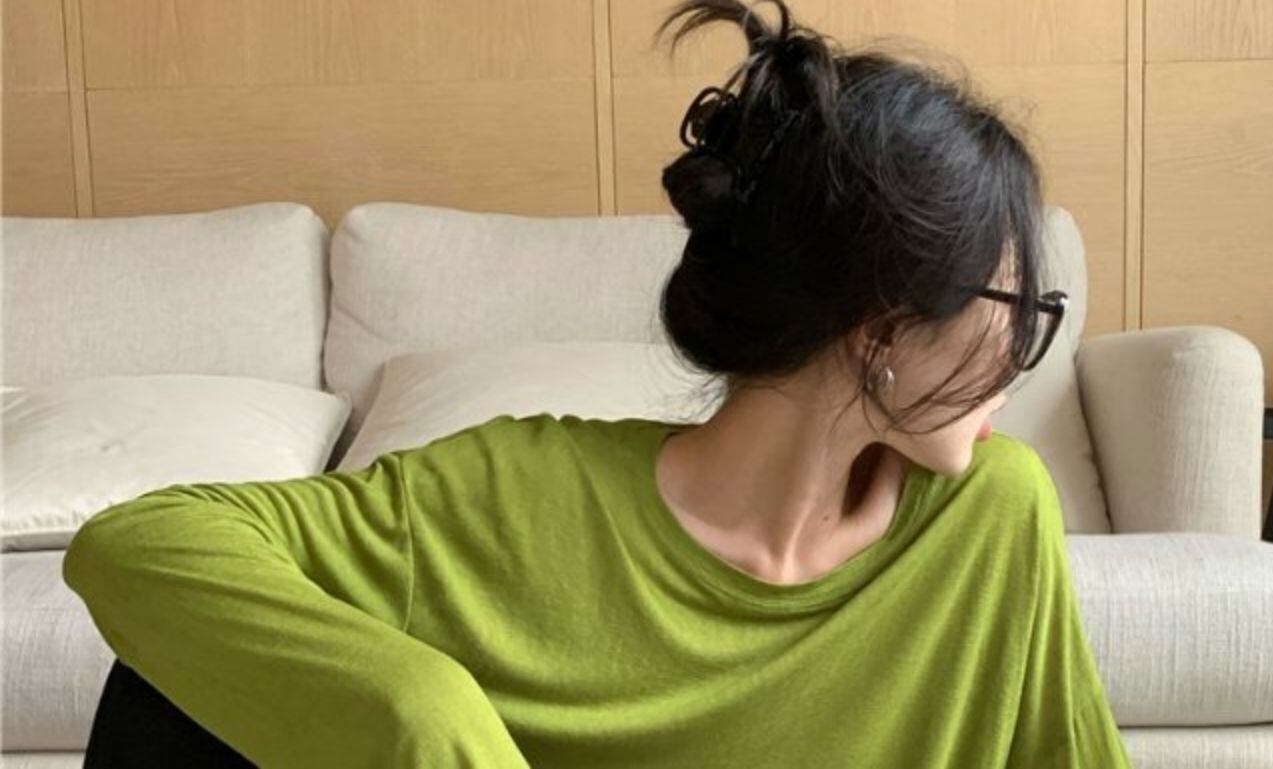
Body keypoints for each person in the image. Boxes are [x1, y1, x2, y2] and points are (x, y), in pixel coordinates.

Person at [63, 0, 1132, 766]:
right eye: (1013, 306)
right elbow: (140, 540)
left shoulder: (988, 515)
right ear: (881, 329)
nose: (1022, 349)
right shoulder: (511, 497)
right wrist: (418, 705)